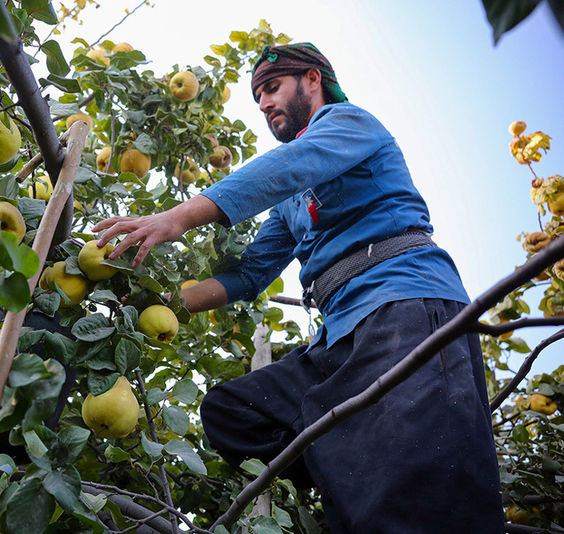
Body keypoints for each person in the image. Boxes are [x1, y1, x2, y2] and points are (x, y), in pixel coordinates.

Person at [92, 43, 503, 533]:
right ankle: (361, 468)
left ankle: (386, 484)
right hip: (339, 334)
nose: (264, 104)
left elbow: (291, 165)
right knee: (232, 411)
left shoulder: (351, 124)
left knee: (423, 485)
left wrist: (177, 217)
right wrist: (151, 302)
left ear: (312, 80)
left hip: (403, 305)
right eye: (257, 97)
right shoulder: (291, 201)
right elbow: (249, 274)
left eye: (271, 88)